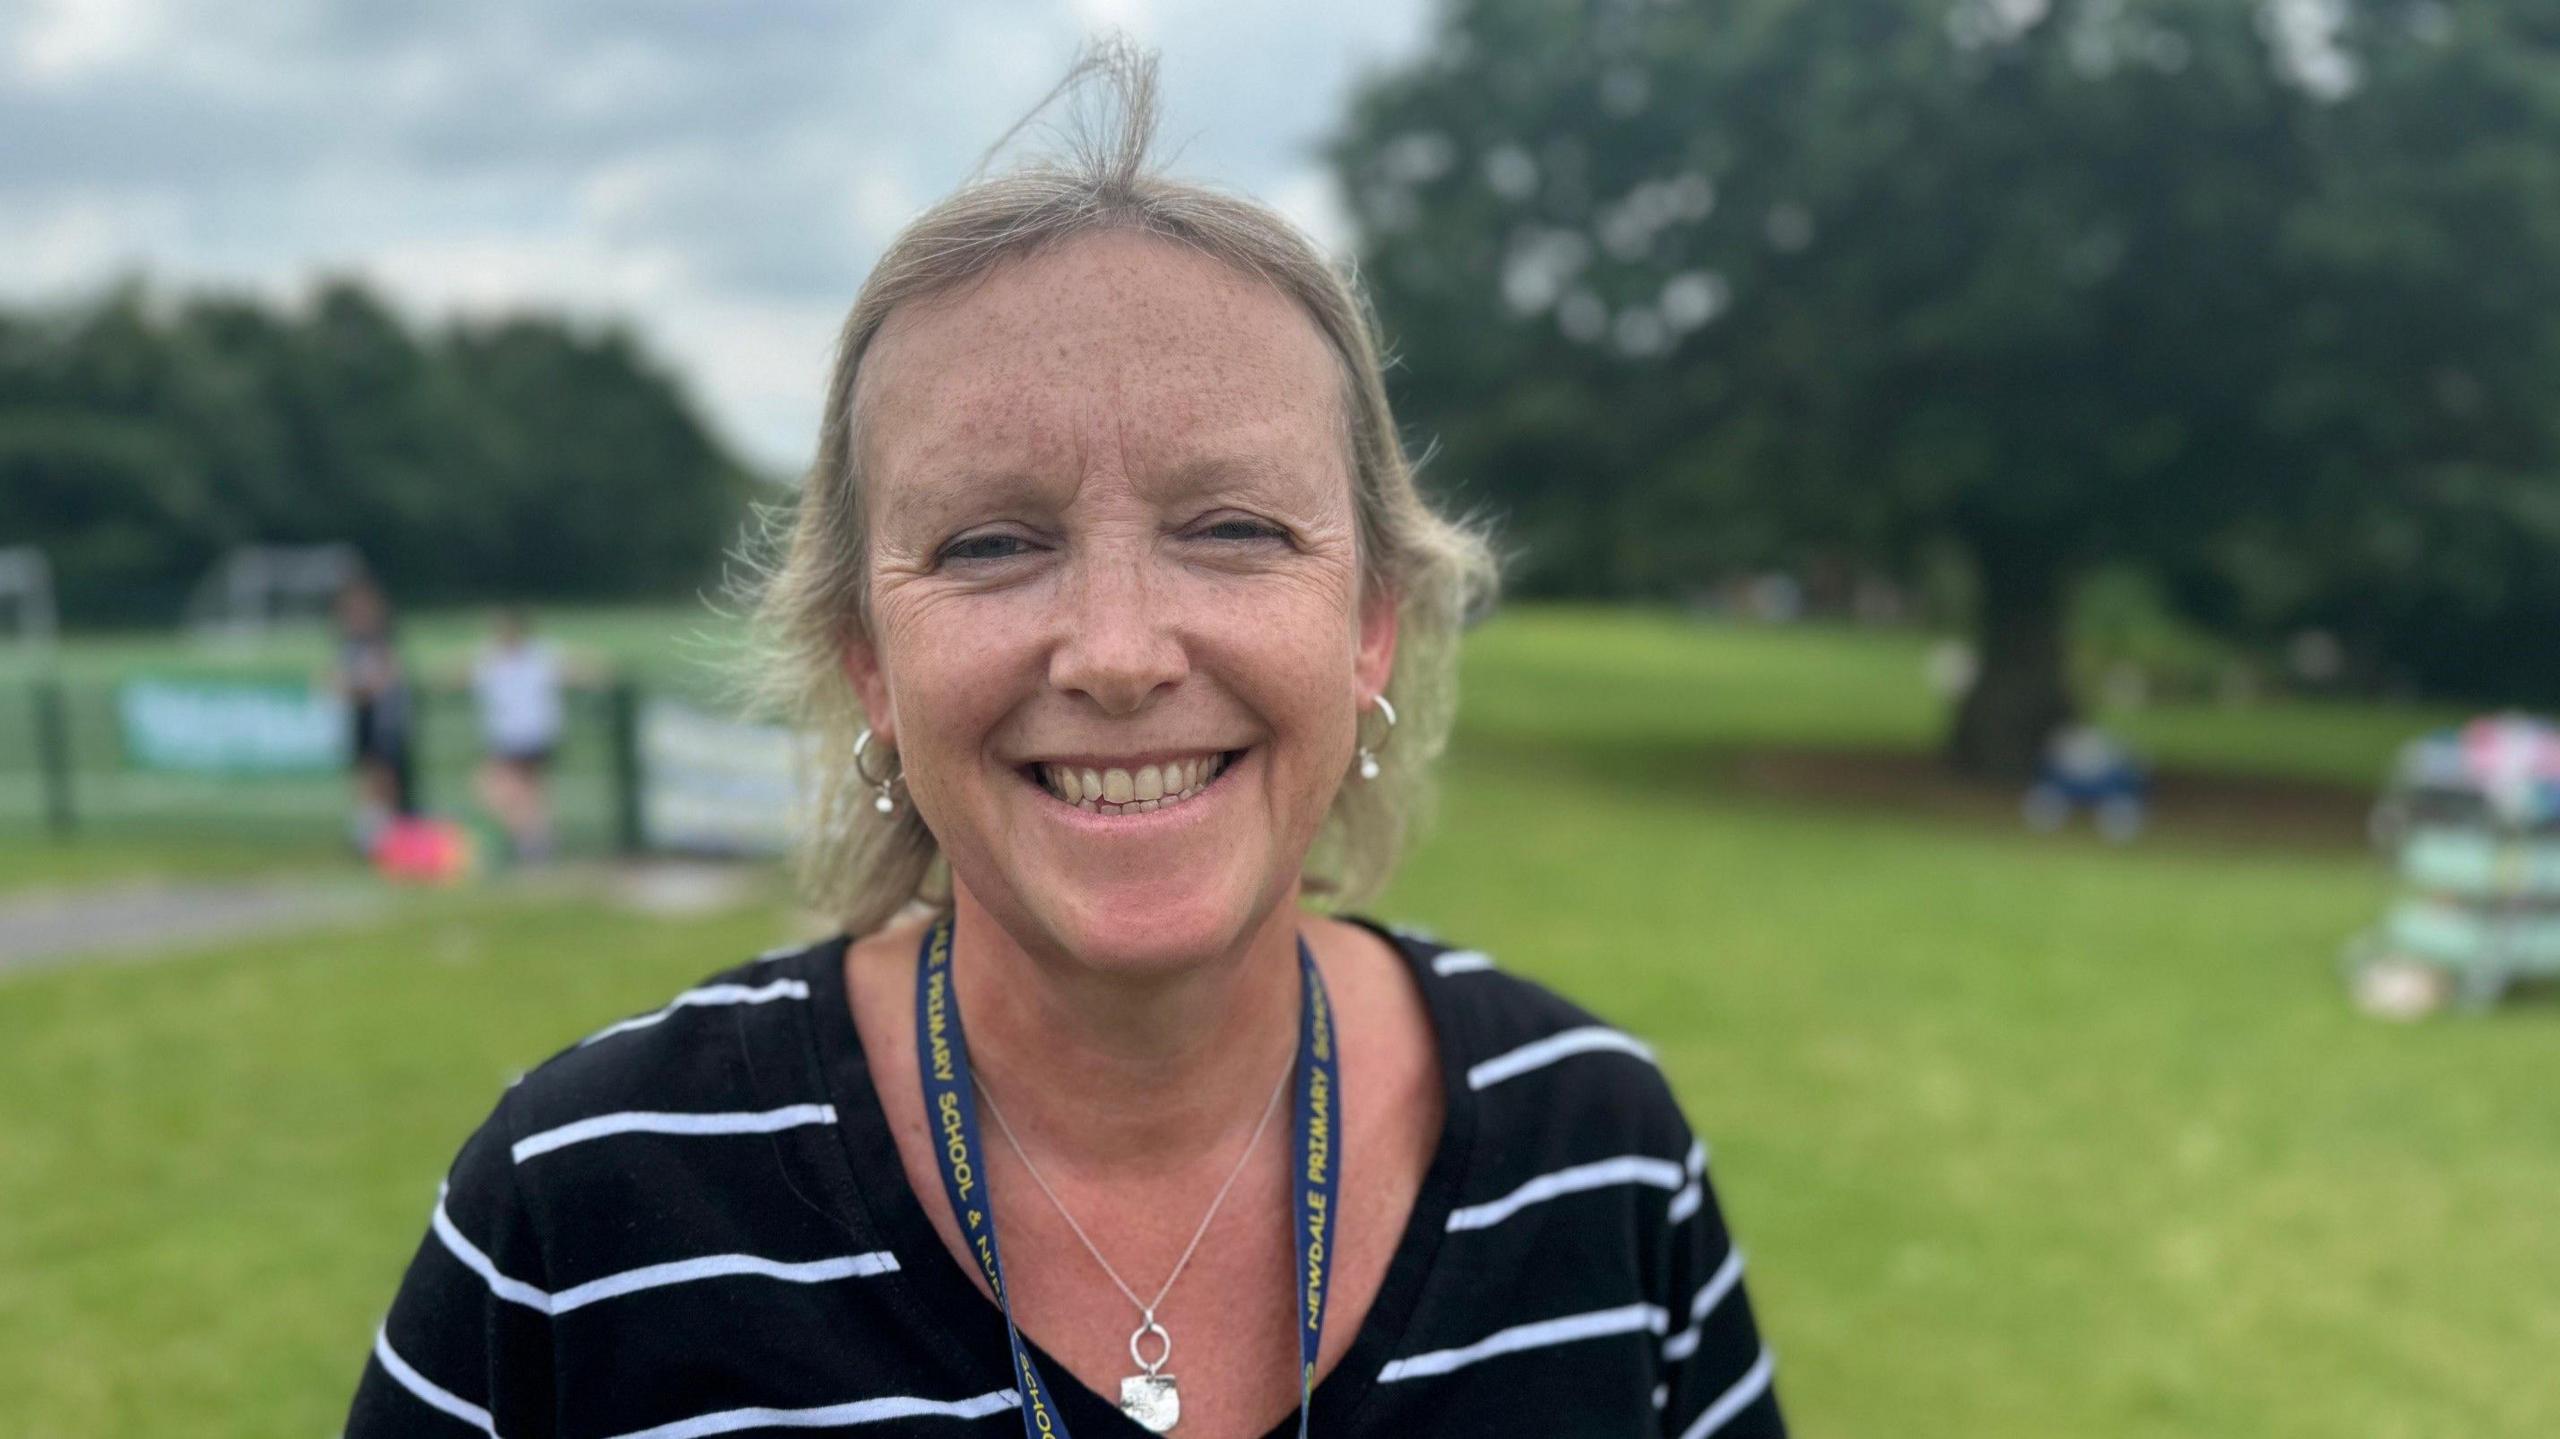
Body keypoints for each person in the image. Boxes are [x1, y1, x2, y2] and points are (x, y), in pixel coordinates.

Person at [346, 47, 1784, 1439]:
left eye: (1233, 528)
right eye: (990, 542)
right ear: (870, 661)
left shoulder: (1600, 1152)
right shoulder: (577, 1213)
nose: (1114, 652)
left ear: (1371, 629)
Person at [470, 607, 566, 863]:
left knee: (498, 789)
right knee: (527, 794)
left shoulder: (530, 656)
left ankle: (532, 841)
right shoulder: (499, 658)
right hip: (521, 735)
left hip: (522, 735)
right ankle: (536, 841)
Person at [333, 574, 415, 852]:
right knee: (366, 779)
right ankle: (370, 836)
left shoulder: (382, 641)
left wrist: (357, 687)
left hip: (384, 722)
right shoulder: (349, 643)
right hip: (362, 720)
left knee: (385, 779)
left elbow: (384, 680)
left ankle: (389, 838)